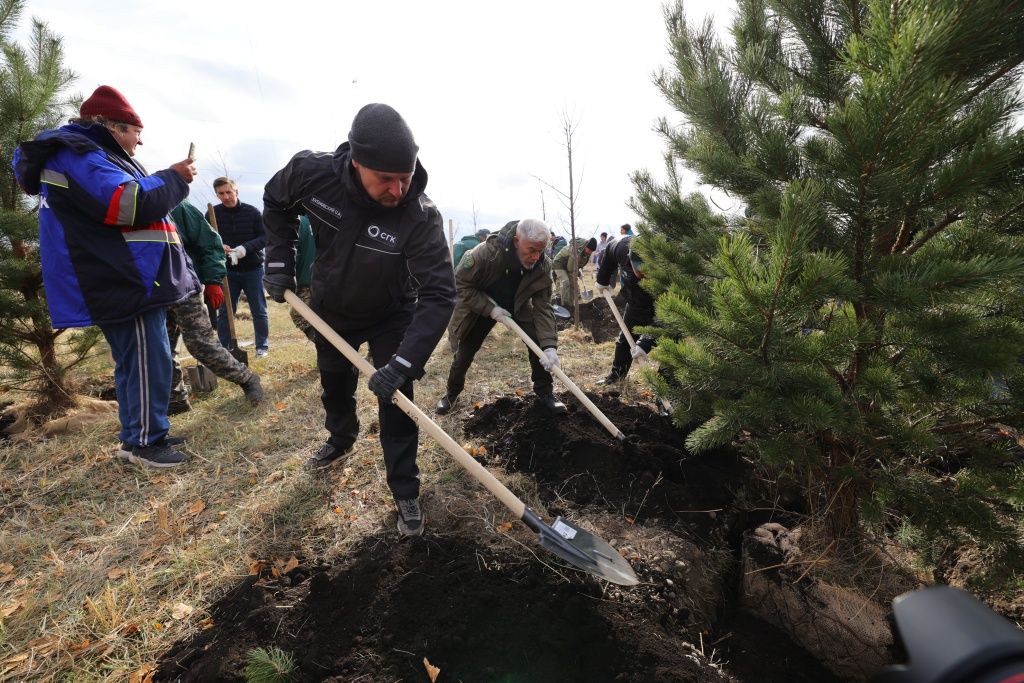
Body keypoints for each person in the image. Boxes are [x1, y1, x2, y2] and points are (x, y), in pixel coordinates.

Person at [262, 103, 455, 538]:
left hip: (393, 313)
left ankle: (405, 488)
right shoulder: (312, 174)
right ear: (356, 162)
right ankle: (341, 436)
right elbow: (275, 202)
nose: (397, 189)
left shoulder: (419, 216)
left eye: (404, 177)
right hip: (332, 311)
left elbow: (440, 294)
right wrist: (278, 259)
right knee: (333, 380)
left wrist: (405, 363)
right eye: (385, 179)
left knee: (398, 399)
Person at [12, 85, 198, 467]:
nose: (139, 143)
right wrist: (175, 177)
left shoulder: (85, 155)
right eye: (135, 133)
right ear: (112, 126)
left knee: (135, 360)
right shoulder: (82, 154)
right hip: (121, 275)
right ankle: (148, 442)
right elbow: (128, 204)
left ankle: (137, 436)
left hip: (121, 274)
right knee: (149, 358)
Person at [436, 218, 567, 417]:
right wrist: (490, 308)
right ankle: (451, 394)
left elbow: (543, 307)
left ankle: (545, 392)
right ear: (516, 241)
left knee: (538, 342)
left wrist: (549, 346)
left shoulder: (542, 265)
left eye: (540, 250)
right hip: (480, 306)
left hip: (517, 305)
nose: (535, 256)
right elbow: (460, 284)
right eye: (531, 250)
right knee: (464, 353)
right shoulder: (487, 253)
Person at [166, 201, 264, 408]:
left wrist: (212, 280)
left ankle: (247, 378)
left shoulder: (177, 207)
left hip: (185, 287)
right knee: (163, 347)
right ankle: (175, 399)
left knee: (200, 343)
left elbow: (210, 243)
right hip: (154, 293)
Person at [207, 177, 269, 357]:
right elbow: (207, 240)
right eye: (221, 193)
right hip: (227, 272)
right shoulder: (212, 214)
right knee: (225, 311)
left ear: (236, 191)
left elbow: (264, 238)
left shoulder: (252, 212)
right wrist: (220, 246)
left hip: (253, 269)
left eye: (229, 192)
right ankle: (225, 349)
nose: (226, 196)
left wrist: (244, 249)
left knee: (258, 310)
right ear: (217, 195)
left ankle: (262, 347)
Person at [595, 234, 655, 384]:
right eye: (639, 270)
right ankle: (617, 377)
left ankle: (667, 391)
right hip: (635, 303)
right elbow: (608, 251)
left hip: (662, 309)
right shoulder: (622, 247)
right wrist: (602, 280)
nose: (643, 275)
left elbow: (671, 313)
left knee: (672, 349)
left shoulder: (668, 267)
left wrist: (645, 343)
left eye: (647, 271)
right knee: (624, 340)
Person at [287, 214, 317, 342]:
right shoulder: (333, 217)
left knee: (299, 315)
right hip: (329, 280)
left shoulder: (299, 222)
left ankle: (324, 344)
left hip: (307, 281)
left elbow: (292, 254)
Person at [551, 236, 597, 305]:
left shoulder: (587, 253)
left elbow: (579, 264)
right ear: (586, 246)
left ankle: (571, 304)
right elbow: (570, 268)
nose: (590, 252)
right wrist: (577, 273)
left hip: (569, 264)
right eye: (589, 250)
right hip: (559, 263)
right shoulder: (576, 251)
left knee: (573, 284)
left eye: (591, 251)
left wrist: (579, 271)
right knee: (566, 282)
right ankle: (565, 305)